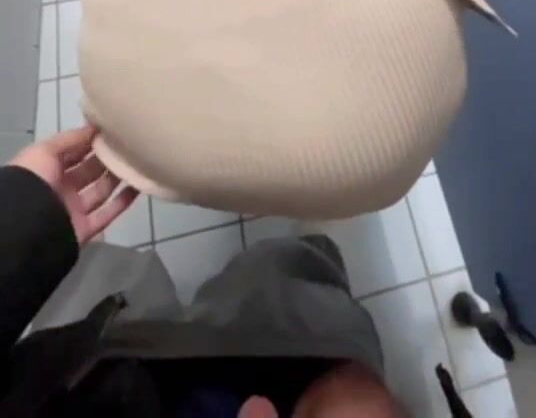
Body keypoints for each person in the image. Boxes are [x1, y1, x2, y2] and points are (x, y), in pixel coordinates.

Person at [0, 127, 409, 416]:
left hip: (77, 381)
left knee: (111, 293)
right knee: (282, 296)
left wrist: (26, 223)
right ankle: (297, 258)